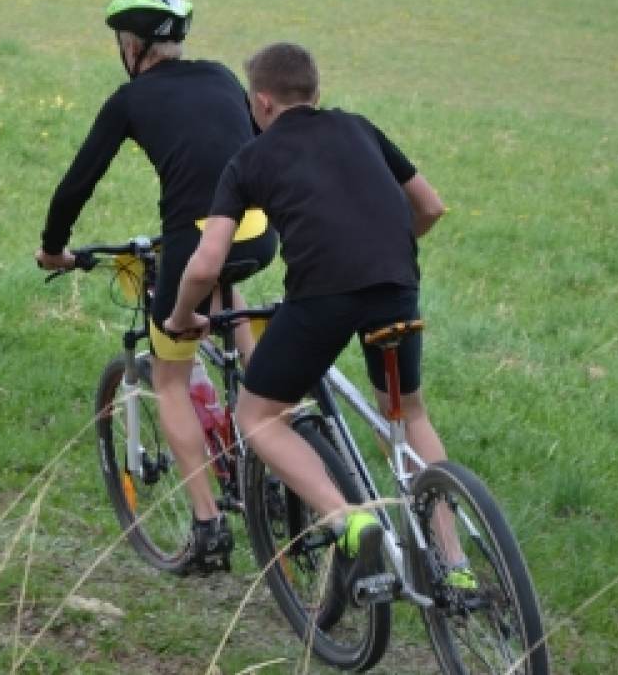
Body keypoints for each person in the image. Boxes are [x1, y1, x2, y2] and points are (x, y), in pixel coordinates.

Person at [163, 42, 464, 594]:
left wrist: (182, 315)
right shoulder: (359, 127)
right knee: (408, 414)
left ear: (261, 102)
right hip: (397, 285)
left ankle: (346, 518)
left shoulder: (249, 160)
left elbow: (206, 265)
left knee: (258, 415)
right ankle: (456, 562)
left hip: (322, 297)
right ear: (316, 92)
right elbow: (430, 207)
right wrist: (386, 253)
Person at [36, 0, 277, 572]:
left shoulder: (130, 99)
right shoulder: (222, 76)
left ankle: (207, 525)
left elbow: (78, 182)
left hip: (195, 241)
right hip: (258, 233)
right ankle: (263, 407)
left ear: (133, 46)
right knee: (225, 287)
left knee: (169, 381)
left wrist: (54, 249)